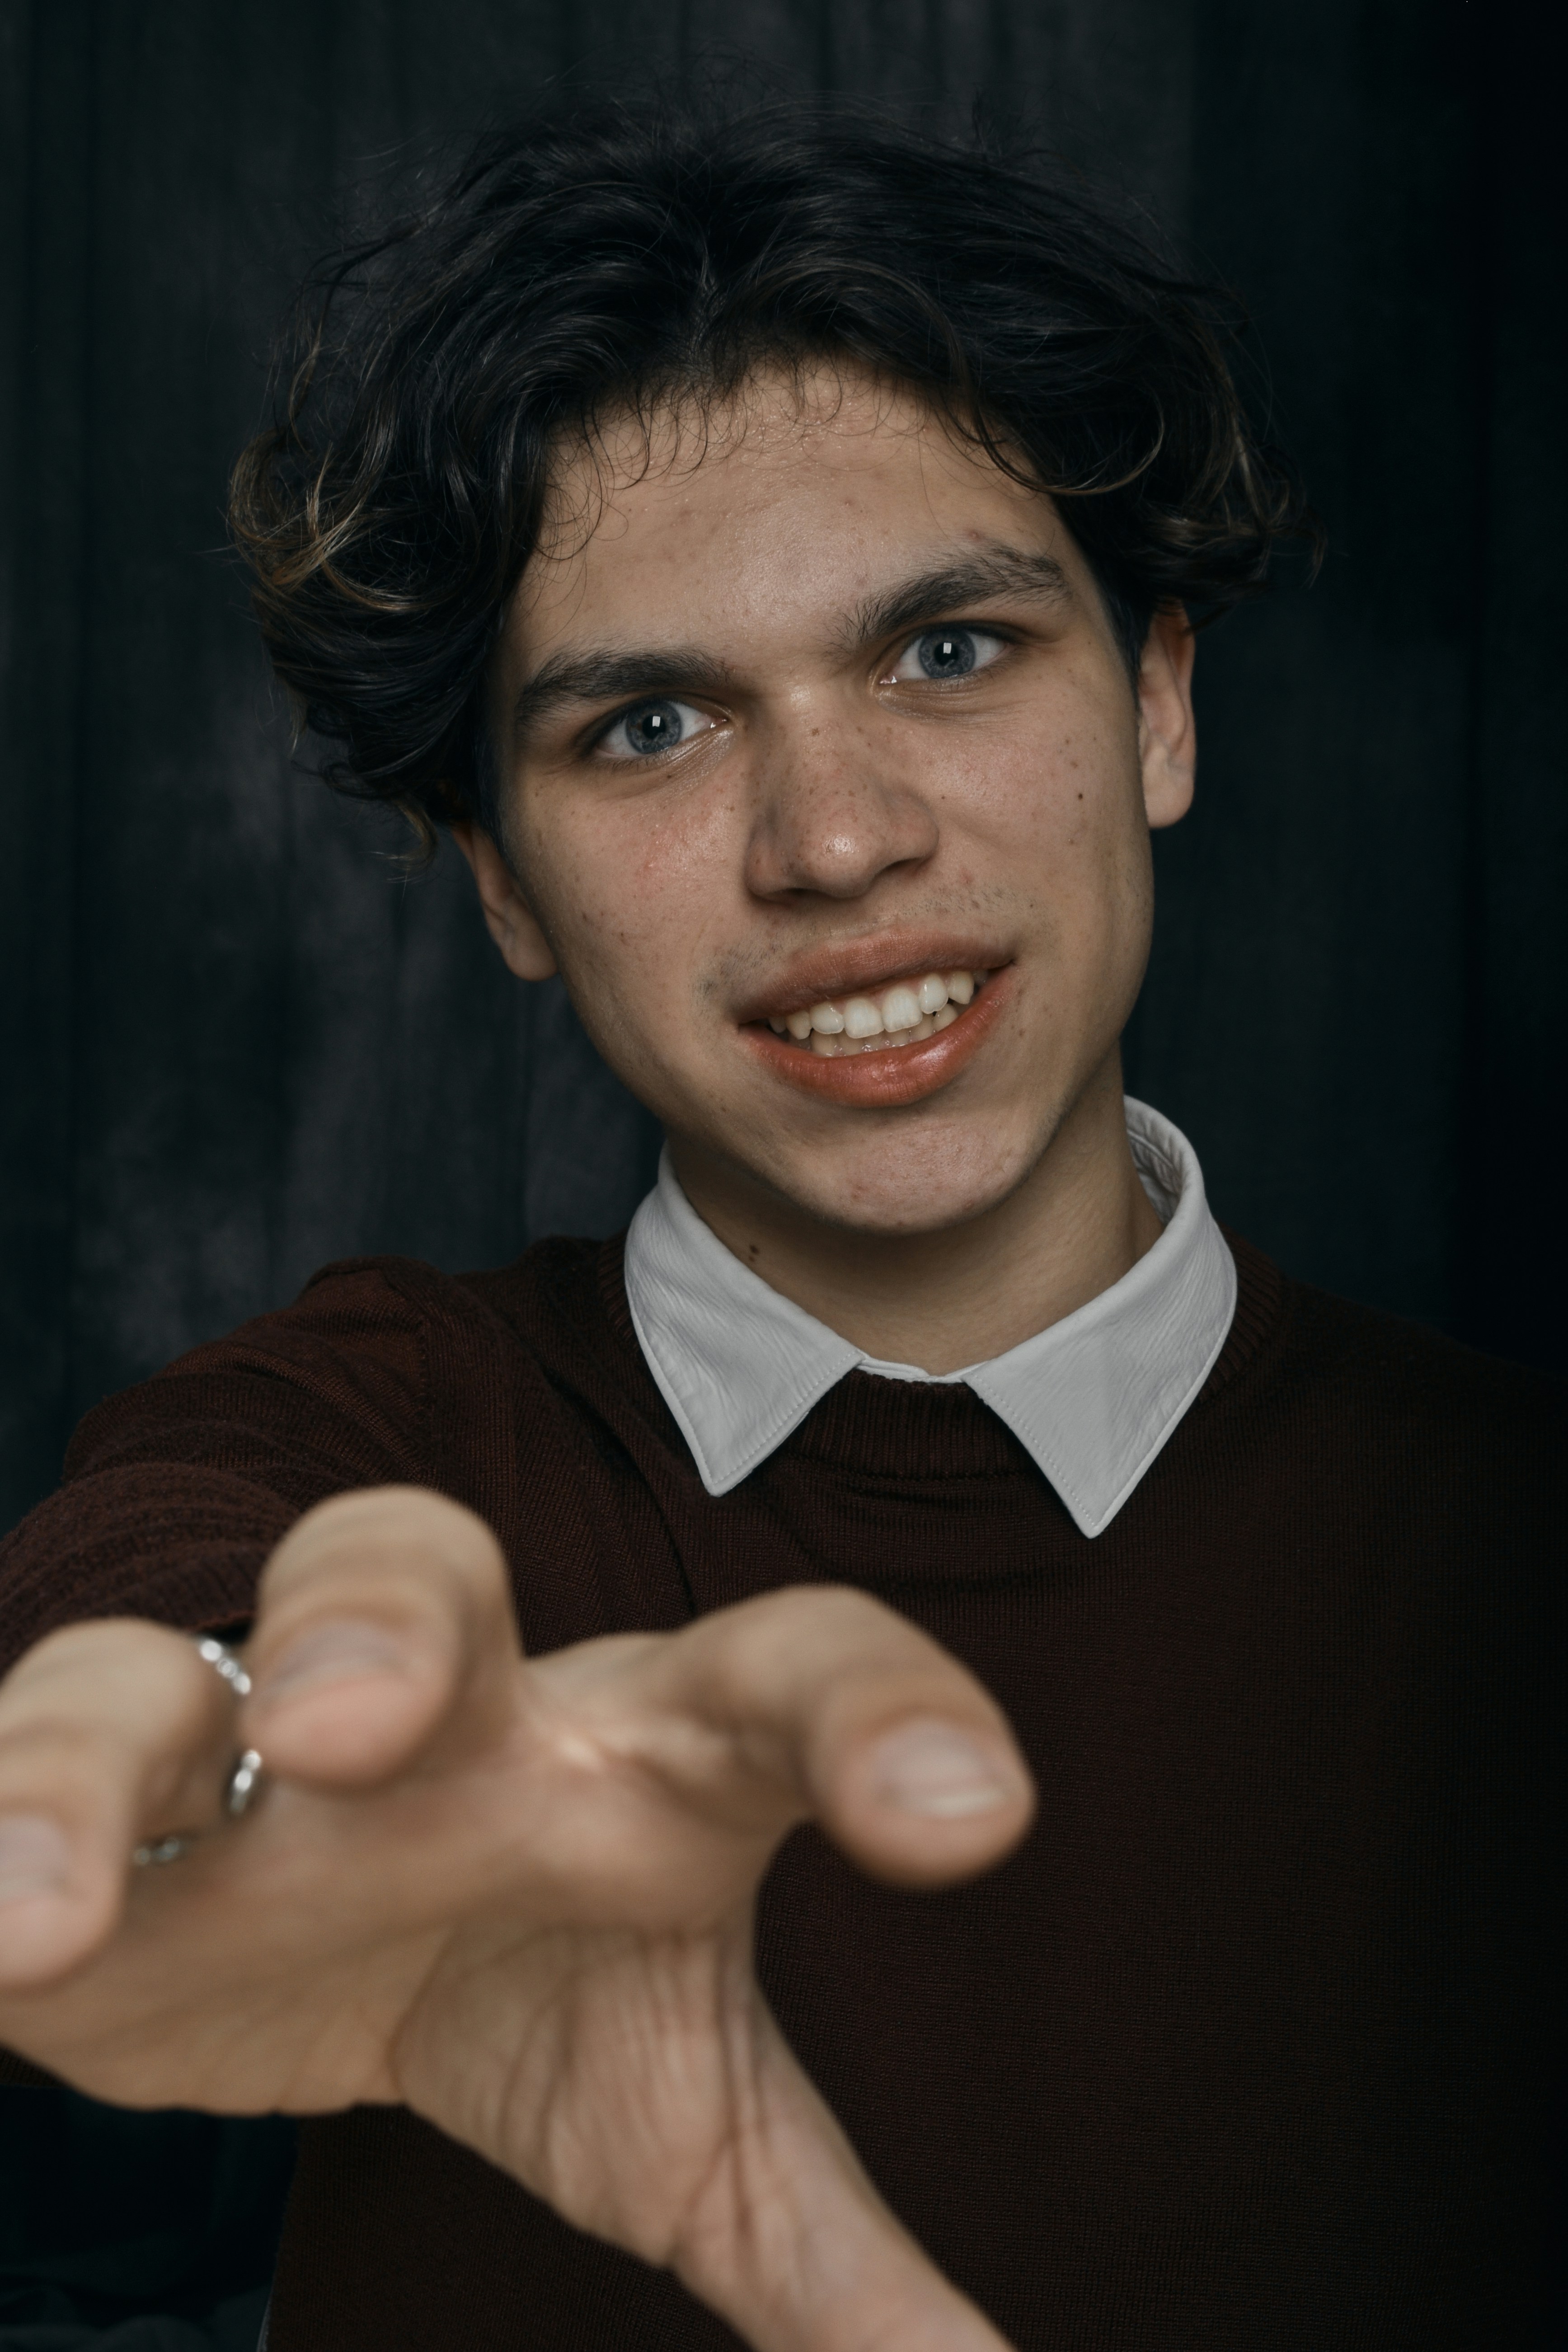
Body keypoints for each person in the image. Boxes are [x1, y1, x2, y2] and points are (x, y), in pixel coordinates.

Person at [0, 98, 1558, 2352]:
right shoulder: (391, 1422)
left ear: (1158, 703)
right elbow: (161, 1570)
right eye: (648, 725)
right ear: (506, 884)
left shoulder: (1516, 1550)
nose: (829, 843)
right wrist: (233, 1759)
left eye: (947, 652)